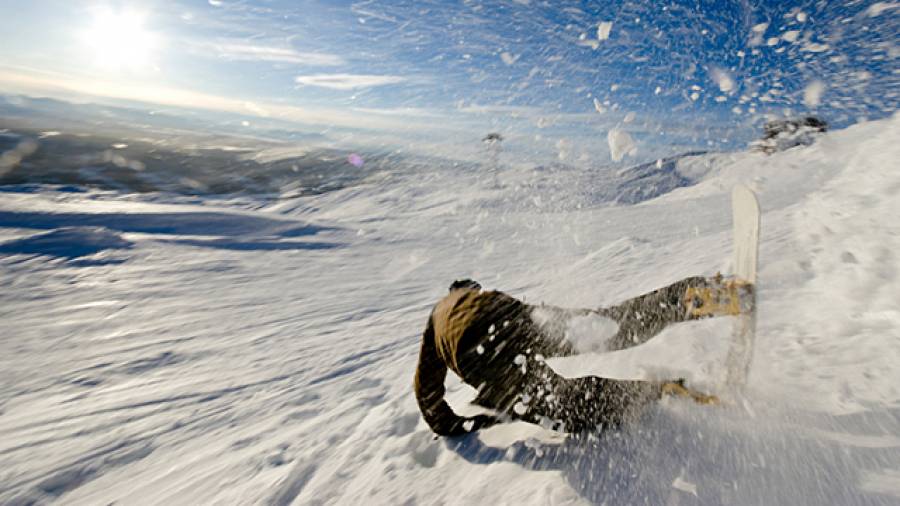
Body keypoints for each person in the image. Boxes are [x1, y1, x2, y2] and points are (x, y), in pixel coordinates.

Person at [414, 277, 738, 436]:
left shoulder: (437, 318)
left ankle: (658, 392)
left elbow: (425, 387)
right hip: (511, 315)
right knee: (607, 327)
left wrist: (452, 426)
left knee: (567, 407)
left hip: (478, 350)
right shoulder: (475, 295)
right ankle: (696, 296)